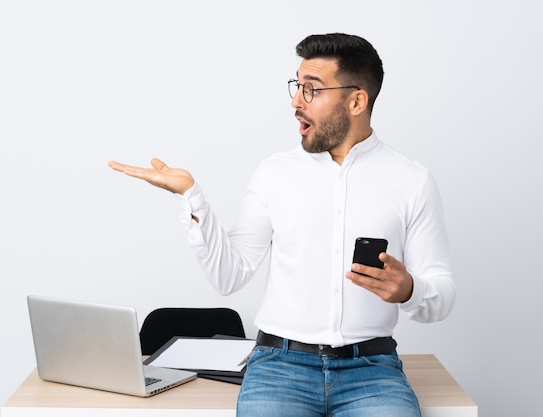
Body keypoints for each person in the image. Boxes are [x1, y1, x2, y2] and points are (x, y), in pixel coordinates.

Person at [109, 33, 455, 417]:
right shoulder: (275, 174)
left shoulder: (411, 180)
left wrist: (408, 289)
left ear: (357, 100)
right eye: (297, 86)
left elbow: (441, 294)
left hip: (372, 372)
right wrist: (193, 198)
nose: (295, 102)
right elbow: (229, 276)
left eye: (312, 90)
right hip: (279, 368)